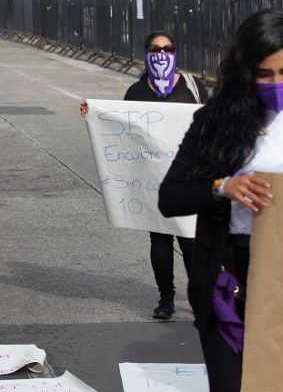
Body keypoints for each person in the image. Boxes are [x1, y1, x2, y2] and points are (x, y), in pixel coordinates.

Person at [158, 9, 283, 392]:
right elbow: (169, 198)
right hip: (231, 274)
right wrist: (223, 187)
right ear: (245, 70)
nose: (277, 84)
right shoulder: (216, 121)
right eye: (264, 74)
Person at [81, 30, 209, 320]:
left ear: (176, 52)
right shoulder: (137, 92)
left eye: (168, 48)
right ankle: (166, 298)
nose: (162, 54)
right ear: (146, 53)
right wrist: (93, 112)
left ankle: (199, 298)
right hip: (153, 179)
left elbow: (211, 119)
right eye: (155, 49)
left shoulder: (193, 86)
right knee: (160, 239)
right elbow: (119, 126)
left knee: (190, 239)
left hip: (189, 175)